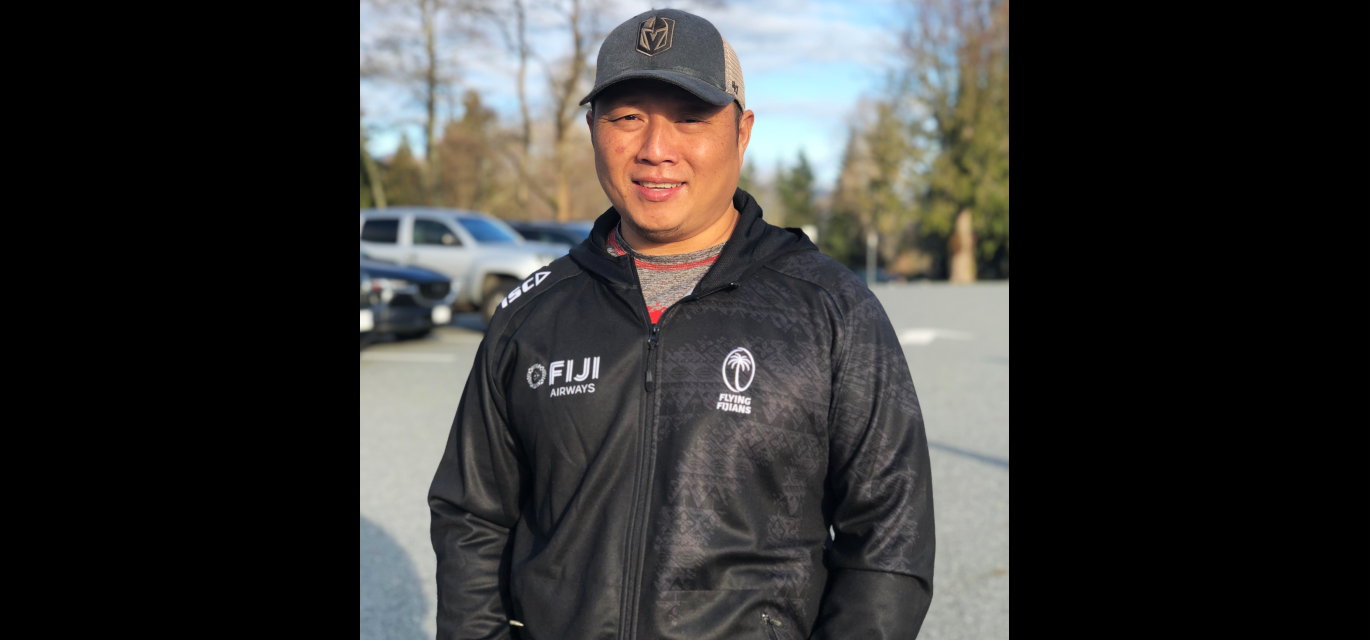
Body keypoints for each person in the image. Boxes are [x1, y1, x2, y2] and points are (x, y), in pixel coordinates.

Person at [429, 8, 934, 639]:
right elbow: (471, 518)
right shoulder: (531, 315)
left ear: (742, 132)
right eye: (627, 117)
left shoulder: (830, 309)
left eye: (691, 117)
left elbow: (890, 536)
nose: (655, 150)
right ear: (592, 129)